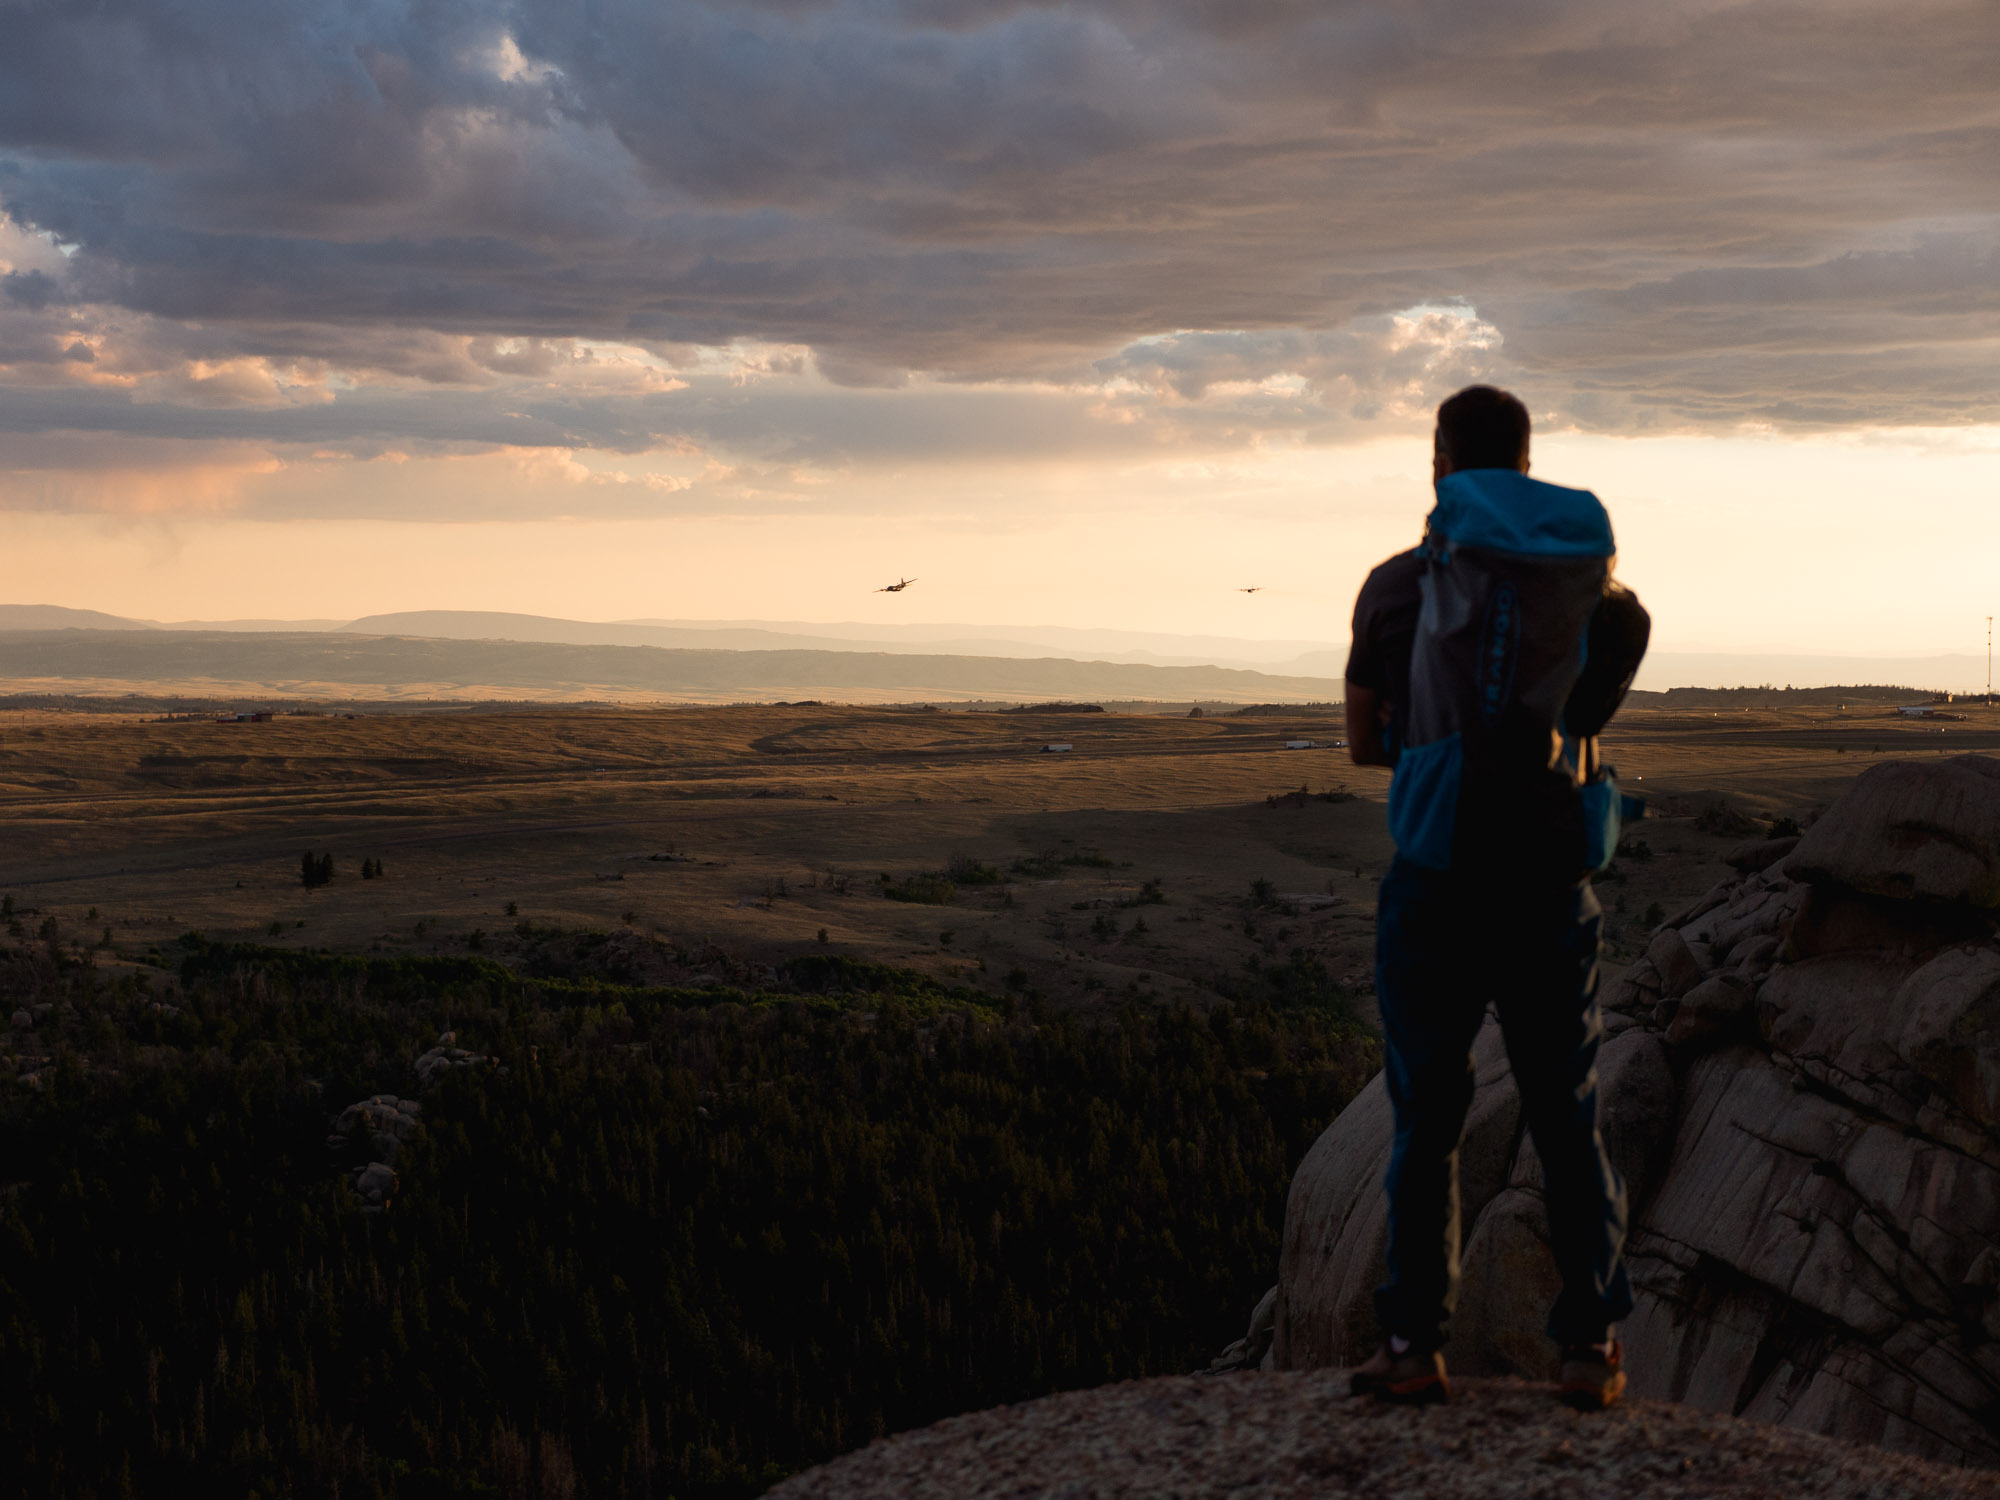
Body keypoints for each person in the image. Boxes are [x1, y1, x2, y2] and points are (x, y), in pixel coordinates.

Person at [1342, 385, 1650, 1411]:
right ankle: (1588, 1352)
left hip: (1435, 875)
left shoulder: (1395, 588)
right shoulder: (1588, 594)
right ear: (1524, 465)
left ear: (1439, 465)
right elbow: (1593, 704)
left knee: (1424, 1120)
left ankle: (1412, 1343)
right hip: (1548, 882)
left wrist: (1429, 743)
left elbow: (1360, 744)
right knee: (1564, 1114)